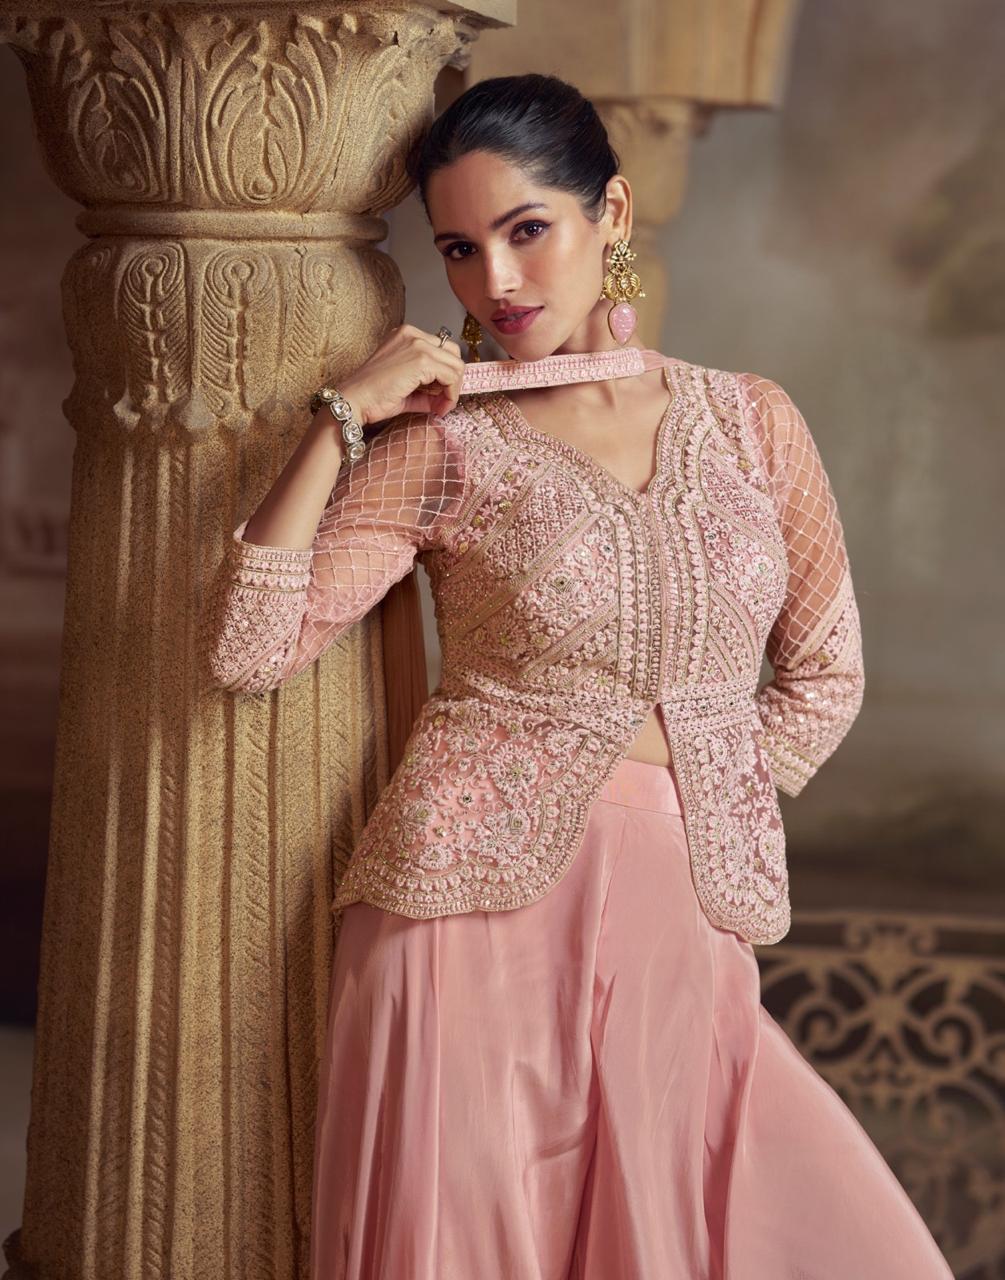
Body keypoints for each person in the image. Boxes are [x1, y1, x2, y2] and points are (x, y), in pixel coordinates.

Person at [205, 73, 954, 1280]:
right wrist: (340, 420)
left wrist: (697, 797)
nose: (494, 282)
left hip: (681, 911)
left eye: (525, 231)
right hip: (460, 914)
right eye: (459, 247)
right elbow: (249, 650)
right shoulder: (444, 446)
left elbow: (826, 672)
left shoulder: (751, 421)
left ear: (609, 214)